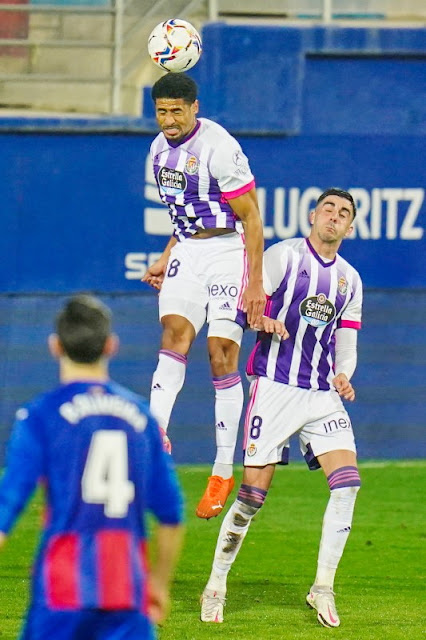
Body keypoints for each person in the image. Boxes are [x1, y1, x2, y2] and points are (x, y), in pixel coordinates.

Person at [200, 188, 363, 628]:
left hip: (321, 394)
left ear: (349, 228)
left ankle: (323, 587)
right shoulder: (283, 257)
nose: (334, 216)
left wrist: (344, 373)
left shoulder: (350, 279)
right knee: (252, 498)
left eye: (343, 213)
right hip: (273, 387)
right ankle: (216, 584)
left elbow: (346, 344)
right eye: (328, 208)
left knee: (347, 486)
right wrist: (261, 319)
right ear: (313, 215)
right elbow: (246, 304)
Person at [0, 294, 184, 640]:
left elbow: (6, 508)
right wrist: (158, 584)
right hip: (126, 591)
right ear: (111, 346)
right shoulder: (141, 418)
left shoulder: (40, 416)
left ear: (55, 346)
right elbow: (172, 515)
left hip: (61, 592)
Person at [142, 72, 265, 520]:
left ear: (194, 108)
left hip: (228, 251)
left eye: (176, 110)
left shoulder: (219, 146)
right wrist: (165, 255)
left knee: (220, 354)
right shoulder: (157, 151)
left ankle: (220, 470)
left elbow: (251, 218)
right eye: (161, 111)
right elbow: (183, 216)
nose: (169, 119)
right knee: (173, 333)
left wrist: (254, 282)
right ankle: (154, 437)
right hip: (189, 251)